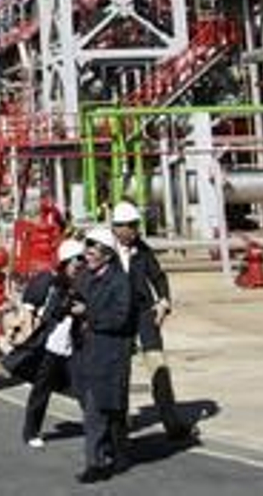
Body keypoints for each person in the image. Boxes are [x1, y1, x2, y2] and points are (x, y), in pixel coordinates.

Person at [112, 201, 194, 439]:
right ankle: (119, 420)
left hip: (143, 313)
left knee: (158, 365)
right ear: (117, 228)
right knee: (119, 369)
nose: (135, 231)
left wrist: (164, 302)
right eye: (130, 226)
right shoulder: (105, 250)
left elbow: (158, 277)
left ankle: (171, 422)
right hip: (117, 318)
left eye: (136, 226)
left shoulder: (142, 249)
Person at [74, 227, 135, 483]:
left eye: (92, 247)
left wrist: (89, 314)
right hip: (89, 352)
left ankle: (96, 464)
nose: (87, 252)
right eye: (86, 246)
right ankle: (117, 454)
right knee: (108, 409)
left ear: (107, 255)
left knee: (97, 410)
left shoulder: (120, 281)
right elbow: (76, 299)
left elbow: (121, 318)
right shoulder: (86, 277)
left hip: (110, 353)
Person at [14, 237, 85, 447]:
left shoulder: (84, 283)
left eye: (81, 263)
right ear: (64, 263)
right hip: (50, 345)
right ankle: (31, 431)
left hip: (74, 345)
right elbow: (29, 309)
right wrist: (29, 337)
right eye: (75, 263)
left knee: (84, 388)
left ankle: (97, 426)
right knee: (41, 390)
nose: (78, 267)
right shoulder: (49, 282)